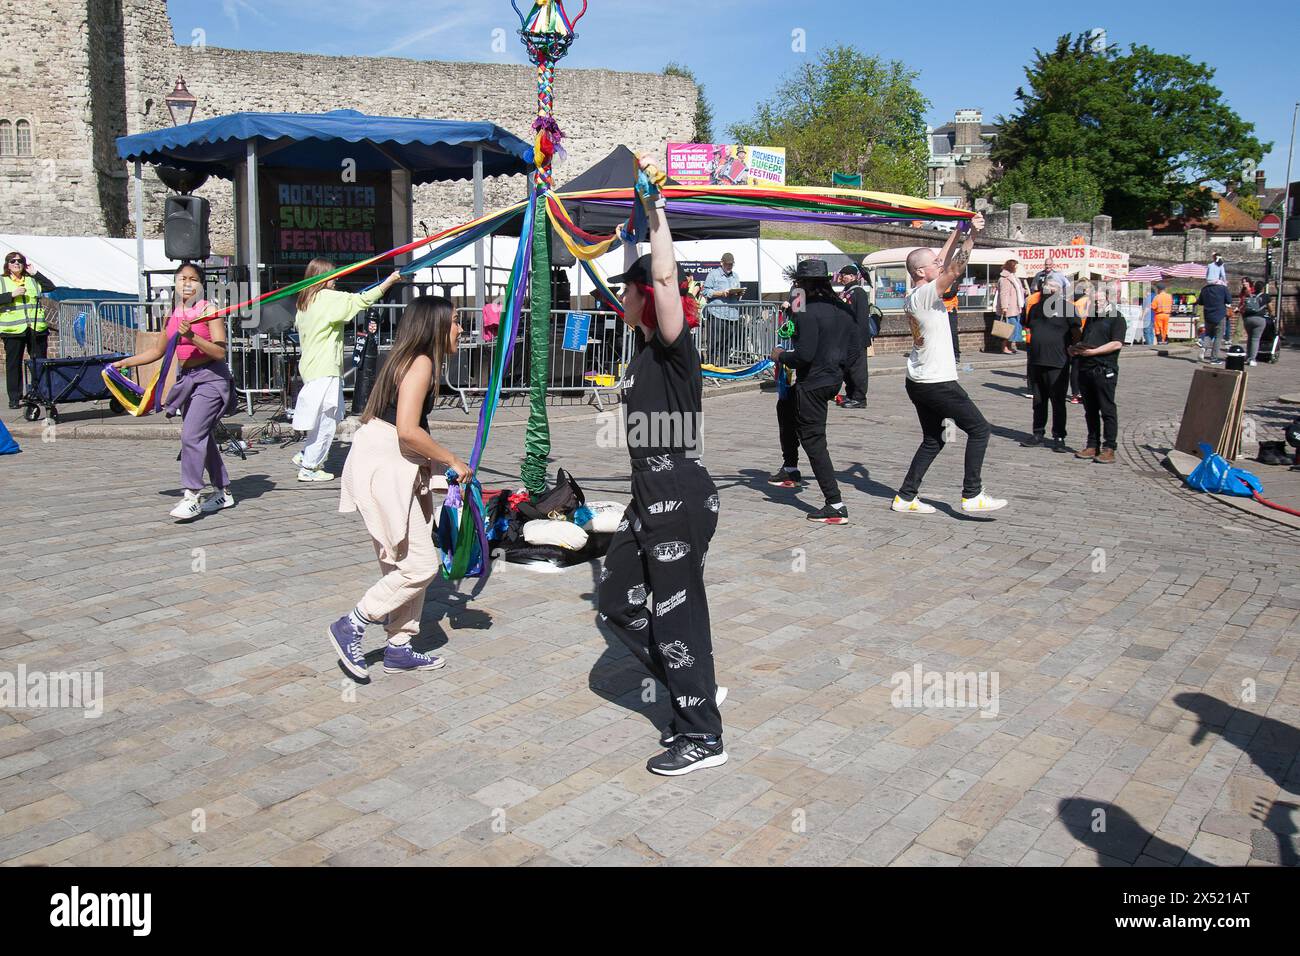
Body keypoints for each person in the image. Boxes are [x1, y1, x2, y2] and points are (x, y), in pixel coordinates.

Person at [598, 153, 726, 776]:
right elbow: (648, 277)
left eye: (627, 287)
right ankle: (692, 681)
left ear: (645, 296)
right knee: (617, 601)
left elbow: (668, 280)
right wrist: (629, 230)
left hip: (678, 492)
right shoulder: (645, 350)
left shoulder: (675, 349)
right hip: (648, 496)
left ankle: (702, 735)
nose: (618, 294)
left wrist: (657, 213)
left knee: (678, 612)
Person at [330, 296, 470, 681]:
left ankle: (399, 647)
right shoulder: (421, 362)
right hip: (384, 462)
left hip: (390, 462)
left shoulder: (410, 359)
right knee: (421, 565)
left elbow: (408, 431)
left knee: (403, 561)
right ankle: (352, 624)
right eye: (456, 321)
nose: (461, 329)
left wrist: (432, 470)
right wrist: (451, 460)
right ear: (436, 325)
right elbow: (407, 431)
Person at [893, 214, 1007, 515]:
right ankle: (972, 494)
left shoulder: (917, 292)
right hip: (936, 382)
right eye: (933, 264)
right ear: (921, 271)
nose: (938, 265)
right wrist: (973, 236)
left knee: (934, 439)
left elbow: (942, 260)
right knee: (980, 429)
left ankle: (905, 497)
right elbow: (954, 269)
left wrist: (958, 228)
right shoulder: (926, 294)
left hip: (919, 380)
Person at [112, 263, 235, 521]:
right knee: (201, 436)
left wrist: (192, 336)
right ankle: (223, 491)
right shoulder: (173, 314)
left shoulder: (209, 311)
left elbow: (220, 352)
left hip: (211, 379)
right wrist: (125, 362)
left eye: (192, 279)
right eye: (181, 279)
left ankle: (192, 495)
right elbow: (156, 352)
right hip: (187, 380)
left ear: (202, 284)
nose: (187, 284)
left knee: (191, 435)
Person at [292, 259, 401, 481]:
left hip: (313, 367)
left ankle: (307, 456)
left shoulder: (305, 301)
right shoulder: (326, 299)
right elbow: (361, 300)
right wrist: (390, 281)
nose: (336, 279)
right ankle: (310, 466)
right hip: (324, 369)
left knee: (326, 416)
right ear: (322, 277)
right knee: (328, 419)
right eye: (332, 275)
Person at [770, 259, 851, 524]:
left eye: (797, 283)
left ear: (803, 284)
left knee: (814, 441)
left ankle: (835, 503)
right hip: (831, 377)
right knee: (786, 409)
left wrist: (781, 355)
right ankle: (791, 469)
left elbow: (803, 354)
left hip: (813, 380)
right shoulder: (840, 307)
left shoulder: (809, 310)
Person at [1020, 278, 1079, 452]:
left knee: (1058, 401)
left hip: (1057, 362)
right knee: (1038, 401)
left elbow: (1076, 331)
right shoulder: (1036, 309)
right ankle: (1038, 433)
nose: (1049, 291)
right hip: (1037, 360)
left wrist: (1072, 350)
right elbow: (1029, 327)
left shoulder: (1067, 308)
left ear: (1059, 291)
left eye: (1053, 289)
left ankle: (1059, 436)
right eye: (1046, 288)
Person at [1070, 285, 1126, 464]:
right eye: (1094, 300)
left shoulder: (1116, 318)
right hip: (1086, 369)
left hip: (1104, 369)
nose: (1096, 303)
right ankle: (1092, 444)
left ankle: (1109, 448)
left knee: (1107, 409)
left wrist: (1094, 353)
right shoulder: (1092, 318)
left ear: (1108, 299)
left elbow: (1116, 343)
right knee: (1090, 410)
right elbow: (1086, 340)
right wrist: (1076, 349)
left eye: (1099, 300)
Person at [0, 250, 55, 409]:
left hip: (36, 328)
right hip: (13, 329)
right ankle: (14, 398)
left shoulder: (32, 280)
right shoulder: (2, 281)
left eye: (20, 261)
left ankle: (38, 393)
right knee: (13, 364)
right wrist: (11, 295)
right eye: (13, 261)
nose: (16, 263)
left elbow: (50, 286)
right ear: (8, 265)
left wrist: (36, 273)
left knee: (38, 363)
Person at [836, 263, 871, 408]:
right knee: (848, 369)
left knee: (858, 370)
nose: (842, 278)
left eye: (844, 275)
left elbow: (861, 318)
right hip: (846, 338)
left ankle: (859, 398)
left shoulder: (859, 293)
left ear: (852, 276)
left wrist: (859, 339)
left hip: (856, 339)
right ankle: (850, 394)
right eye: (841, 275)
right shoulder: (846, 292)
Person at [700, 253, 741, 367]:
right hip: (717, 313)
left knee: (727, 344)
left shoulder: (735, 276)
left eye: (731, 264)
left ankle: (724, 367)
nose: (729, 266)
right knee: (714, 342)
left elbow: (738, 293)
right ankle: (712, 368)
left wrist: (739, 293)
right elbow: (705, 291)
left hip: (732, 314)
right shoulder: (713, 274)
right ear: (721, 263)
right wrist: (721, 293)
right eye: (727, 264)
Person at [996, 258, 1026, 355]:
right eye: (1016, 266)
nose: (1017, 268)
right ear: (1011, 267)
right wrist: (1004, 307)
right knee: (1007, 329)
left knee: (1013, 329)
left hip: (1015, 307)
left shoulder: (1013, 277)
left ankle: (1009, 346)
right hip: (1009, 308)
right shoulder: (1004, 278)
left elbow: (1017, 290)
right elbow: (1003, 294)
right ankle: (1004, 347)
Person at [1068, 280, 1091, 404]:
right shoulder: (1087, 300)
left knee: (1075, 366)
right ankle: (1083, 392)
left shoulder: (1070, 301)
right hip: (1085, 335)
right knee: (1084, 365)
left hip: (1072, 335)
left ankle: (1075, 394)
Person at [1198, 279, 1231, 365]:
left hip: (1208, 315)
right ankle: (1214, 358)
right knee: (1218, 337)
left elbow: (1200, 302)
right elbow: (1229, 300)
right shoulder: (1223, 288)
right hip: (1219, 315)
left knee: (1208, 334)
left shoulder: (1204, 289)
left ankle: (1203, 347)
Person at [1241, 280, 1271, 367]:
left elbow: (1244, 305)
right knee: (1255, 339)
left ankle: (1248, 357)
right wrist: (1271, 314)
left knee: (1250, 338)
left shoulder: (1250, 295)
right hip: (1259, 319)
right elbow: (1270, 308)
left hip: (1247, 319)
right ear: (1263, 288)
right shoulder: (1265, 296)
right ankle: (1252, 359)